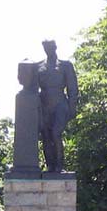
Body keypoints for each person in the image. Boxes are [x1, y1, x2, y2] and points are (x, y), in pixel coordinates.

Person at [37, 40, 78, 172]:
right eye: (45, 47)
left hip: (60, 103)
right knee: (46, 136)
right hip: (44, 104)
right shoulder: (38, 66)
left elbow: (72, 88)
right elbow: (31, 87)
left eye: (50, 47)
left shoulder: (66, 65)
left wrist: (72, 107)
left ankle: (59, 166)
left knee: (56, 133)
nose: (47, 49)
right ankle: (50, 166)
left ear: (55, 47)